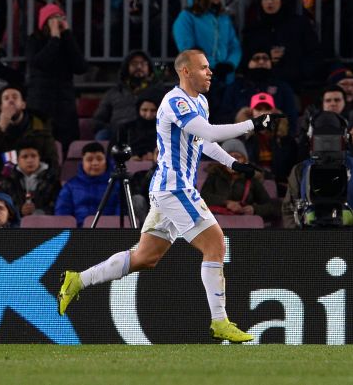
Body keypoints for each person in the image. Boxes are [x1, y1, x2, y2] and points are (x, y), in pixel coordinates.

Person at [57, 49, 285, 343]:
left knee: (145, 258)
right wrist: (253, 123)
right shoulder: (175, 101)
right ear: (186, 71)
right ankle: (220, 322)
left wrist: (233, 163)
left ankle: (77, 280)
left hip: (170, 189)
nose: (210, 72)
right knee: (215, 244)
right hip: (174, 188)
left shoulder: (200, 101)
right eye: (203, 67)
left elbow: (202, 141)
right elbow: (209, 132)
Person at [25, 4, 87, 149]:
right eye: (52, 18)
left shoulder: (68, 40)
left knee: (67, 142)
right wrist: (54, 39)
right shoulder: (34, 40)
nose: (57, 22)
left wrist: (67, 35)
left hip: (64, 102)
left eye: (60, 18)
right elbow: (39, 63)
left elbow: (81, 67)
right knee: (40, 143)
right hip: (40, 103)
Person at [241, 0, 322, 91]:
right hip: (260, 86)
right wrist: (266, 56)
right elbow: (246, 58)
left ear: (282, 0)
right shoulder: (253, 29)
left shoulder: (299, 24)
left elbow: (314, 54)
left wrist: (300, 72)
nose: (269, 2)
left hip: (296, 85)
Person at [173, 0, 241, 98]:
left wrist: (230, 64)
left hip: (227, 79)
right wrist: (212, 66)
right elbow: (188, 50)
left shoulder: (223, 17)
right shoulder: (186, 18)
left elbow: (234, 45)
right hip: (198, 82)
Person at [0, 85, 59, 179]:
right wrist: (0, 129)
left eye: (15, 97)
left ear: (23, 104)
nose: (11, 101)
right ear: (1, 107)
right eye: (6, 98)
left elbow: (52, 163)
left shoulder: (40, 127)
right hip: (3, 181)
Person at [201, 138, 281, 225]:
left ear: (245, 160)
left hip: (244, 227)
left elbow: (270, 207)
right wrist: (226, 202)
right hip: (219, 225)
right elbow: (203, 198)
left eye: (237, 157)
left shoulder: (251, 179)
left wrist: (254, 209)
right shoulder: (214, 176)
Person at [219, 49, 298, 133]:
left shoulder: (282, 88)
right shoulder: (235, 87)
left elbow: (292, 117)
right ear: (248, 62)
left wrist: (280, 119)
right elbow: (223, 116)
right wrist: (239, 117)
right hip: (241, 136)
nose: (261, 61)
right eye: (256, 58)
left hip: (275, 136)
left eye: (265, 58)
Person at [92, 49, 164, 141]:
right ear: (126, 67)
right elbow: (98, 120)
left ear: (149, 67)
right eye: (134, 64)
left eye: (143, 63)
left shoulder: (159, 92)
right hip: (118, 133)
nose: (139, 66)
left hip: (150, 133)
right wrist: (114, 128)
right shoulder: (114, 92)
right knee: (102, 135)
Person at [234, 94, 297, 185]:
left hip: (280, 184)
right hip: (251, 184)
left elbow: (292, 165)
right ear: (251, 112)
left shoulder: (286, 139)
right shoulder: (242, 138)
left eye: (267, 109)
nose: (263, 113)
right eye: (258, 109)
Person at [54, 142, 119, 226]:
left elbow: (121, 215)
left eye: (99, 159)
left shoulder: (117, 185)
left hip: (110, 231)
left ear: (106, 161)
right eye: (89, 159)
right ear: (82, 162)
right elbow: (62, 215)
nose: (95, 163)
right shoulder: (70, 186)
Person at [0, 139, 61, 217]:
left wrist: (39, 212)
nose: (30, 160)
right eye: (25, 157)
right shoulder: (8, 181)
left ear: (39, 158)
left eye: (33, 156)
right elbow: (0, 207)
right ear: (18, 160)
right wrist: (19, 211)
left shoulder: (52, 180)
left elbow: (58, 205)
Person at [115, 92, 160, 161]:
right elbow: (117, 150)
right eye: (144, 110)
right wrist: (129, 158)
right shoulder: (125, 128)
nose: (148, 114)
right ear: (138, 110)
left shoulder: (163, 129)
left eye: (153, 110)